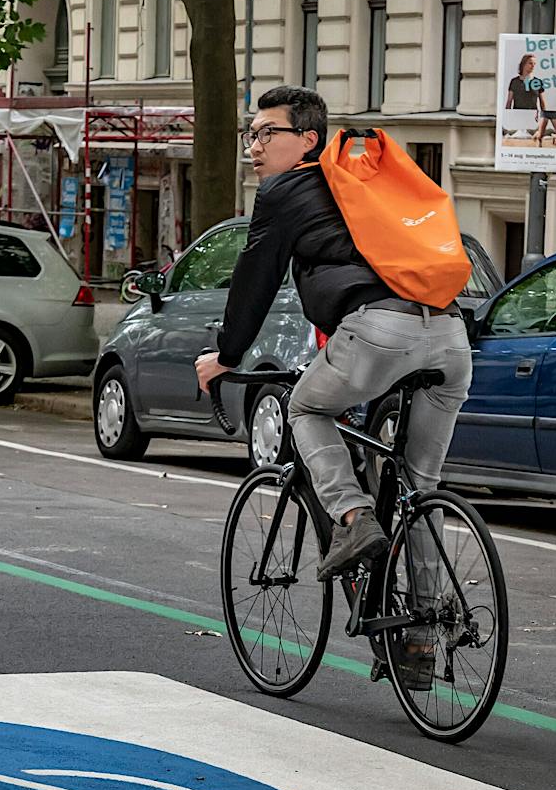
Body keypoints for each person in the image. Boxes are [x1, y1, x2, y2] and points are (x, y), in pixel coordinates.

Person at [194, 85, 472, 677]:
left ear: (307, 140)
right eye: (251, 132)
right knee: (420, 489)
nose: (254, 145)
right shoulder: (363, 182)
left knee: (304, 409)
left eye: (268, 133)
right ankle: (422, 640)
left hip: (378, 333)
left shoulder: (287, 190)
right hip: (449, 336)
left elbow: (256, 278)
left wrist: (225, 353)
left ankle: (352, 518)